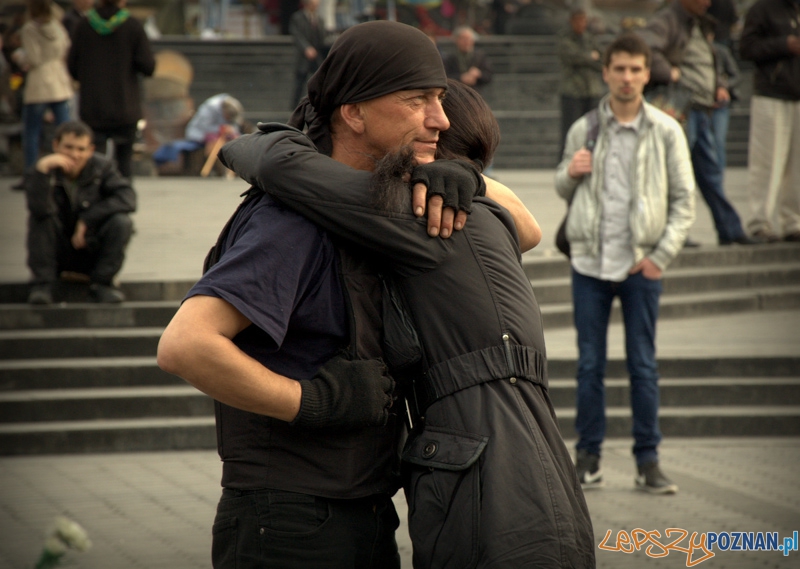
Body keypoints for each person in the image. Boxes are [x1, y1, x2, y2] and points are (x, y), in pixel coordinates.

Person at [221, 80, 594, 569]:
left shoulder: (424, 219)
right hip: (540, 470)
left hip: (486, 479)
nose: (427, 123)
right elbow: (530, 227)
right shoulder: (482, 218)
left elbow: (280, 167)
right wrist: (473, 177)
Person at [157, 21, 457, 569]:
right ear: (354, 112)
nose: (440, 118)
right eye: (417, 100)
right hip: (291, 523)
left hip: (358, 511)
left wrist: (470, 180)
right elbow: (186, 345)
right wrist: (313, 401)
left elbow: (527, 230)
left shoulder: (362, 211)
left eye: (440, 99)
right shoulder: (290, 221)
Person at [555, 34, 695, 494]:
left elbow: (683, 201)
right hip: (590, 264)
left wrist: (660, 257)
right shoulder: (585, 127)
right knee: (589, 364)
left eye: (637, 69)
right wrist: (569, 172)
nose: (628, 78)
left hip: (641, 266)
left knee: (643, 365)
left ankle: (648, 461)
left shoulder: (666, 130)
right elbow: (562, 185)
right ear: (606, 72)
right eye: (620, 69)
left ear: (647, 73)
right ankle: (588, 457)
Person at [640, 0, 761, 246]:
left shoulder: (698, 22)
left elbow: (708, 60)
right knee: (672, 172)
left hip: (702, 109)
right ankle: (671, 233)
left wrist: (719, 85)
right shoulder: (668, 19)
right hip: (682, 109)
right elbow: (646, 48)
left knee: (710, 173)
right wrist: (669, 72)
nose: (708, 2)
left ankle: (730, 229)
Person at [24, 120, 135, 305]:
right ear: (56, 145)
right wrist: (42, 173)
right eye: (68, 147)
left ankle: (102, 284)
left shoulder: (102, 168)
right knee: (41, 219)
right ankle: (42, 285)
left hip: (89, 244)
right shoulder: (43, 170)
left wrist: (87, 219)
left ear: (90, 150)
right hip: (56, 248)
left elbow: (128, 198)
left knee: (122, 222)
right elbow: (38, 208)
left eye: (81, 149)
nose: (74, 155)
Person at [68, 0, 155, 179]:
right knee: (124, 162)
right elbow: (148, 66)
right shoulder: (132, 25)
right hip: (125, 107)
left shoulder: (83, 25)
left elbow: (72, 66)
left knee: (92, 161)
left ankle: (93, 200)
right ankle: (122, 200)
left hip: (93, 108)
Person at [739, 0, 800, 243]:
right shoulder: (762, 9)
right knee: (767, 161)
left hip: (798, 96)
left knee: (797, 166)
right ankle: (759, 222)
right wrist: (784, 44)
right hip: (771, 93)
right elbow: (746, 48)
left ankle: (793, 221)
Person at [18, 0, 72, 178]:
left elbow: (33, 58)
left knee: (32, 130)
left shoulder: (29, 29)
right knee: (65, 129)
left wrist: (20, 58)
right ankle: (68, 167)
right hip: (58, 80)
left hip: (39, 81)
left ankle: (32, 173)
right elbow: (66, 47)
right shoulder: (57, 27)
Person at [558, 8, 605, 159]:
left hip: (592, 91)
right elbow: (573, 57)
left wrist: (591, 59)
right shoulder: (565, 39)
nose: (581, 24)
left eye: (584, 20)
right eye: (578, 20)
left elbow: (603, 60)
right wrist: (591, 57)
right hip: (572, 91)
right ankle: (566, 160)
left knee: (593, 129)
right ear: (571, 21)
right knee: (570, 129)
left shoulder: (590, 39)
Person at [289, 0, 326, 108]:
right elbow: (297, 35)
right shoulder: (297, 17)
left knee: (319, 80)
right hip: (303, 56)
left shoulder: (319, 19)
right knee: (299, 82)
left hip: (316, 55)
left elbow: (322, 37)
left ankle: (318, 103)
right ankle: (294, 107)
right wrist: (306, 48)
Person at [442, 26, 493, 94]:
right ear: (456, 40)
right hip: (456, 94)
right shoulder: (450, 58)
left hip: (476, 93)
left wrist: (479, 74)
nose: (466, 42)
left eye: (469, 39)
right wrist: (461, 78)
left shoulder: (480, 56)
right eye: (463, 39)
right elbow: (445, 77)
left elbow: (489, 76)